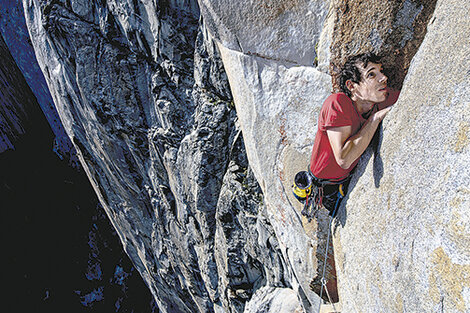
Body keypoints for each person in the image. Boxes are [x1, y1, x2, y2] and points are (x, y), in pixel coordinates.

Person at [307, 52, 400, 217]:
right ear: (352, 86)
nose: (383, 77)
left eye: (381, 71)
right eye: (371, 74)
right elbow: (344, 158)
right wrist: (375, 119)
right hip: (326, 189)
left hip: (348, 179)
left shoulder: (384, 97)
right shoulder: (337, 103)